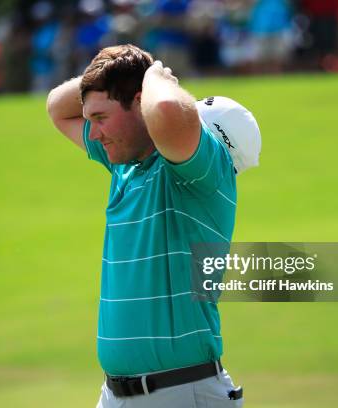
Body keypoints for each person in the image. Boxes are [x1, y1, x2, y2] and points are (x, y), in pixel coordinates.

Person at [46, 44, 248, 408]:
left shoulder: (202, 174)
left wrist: (153, 74)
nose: (93, 133)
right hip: (117, 396)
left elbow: (168, 110)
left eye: (101, 119)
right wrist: (119, 74)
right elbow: (57, 108)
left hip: (181, 394)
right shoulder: (125, 163)